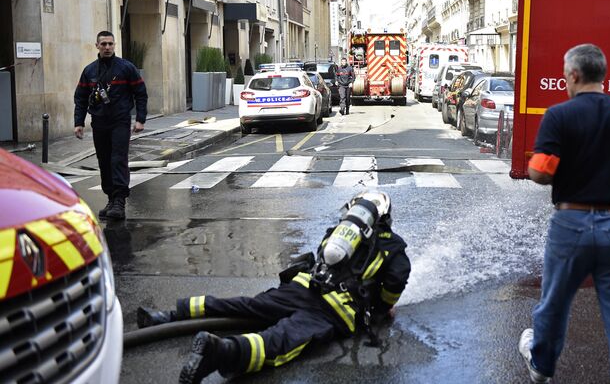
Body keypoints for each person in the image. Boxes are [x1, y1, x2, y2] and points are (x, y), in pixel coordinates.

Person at [136, 191, 410, 384]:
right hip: (333, 311)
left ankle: (167, 316)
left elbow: (323, 256)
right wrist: (383, 309)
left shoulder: (338, 232)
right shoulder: (394, 247)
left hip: (303, 287)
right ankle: (220, 353)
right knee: (282, 340)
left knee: (245, 305)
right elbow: (395, 282)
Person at [517, 43, 610, 384]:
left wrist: (540, 166)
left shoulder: (559, 116)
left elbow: (541, 174)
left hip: (571, 225)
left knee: (553, 304)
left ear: (574, 74)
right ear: (602, 74)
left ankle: (541, 365)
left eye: (565, 75)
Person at [74, 31, 147, 220]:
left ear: (115, 45)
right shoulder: (89, 71)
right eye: (104, 44)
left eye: (110, 44)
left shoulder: (126, 68)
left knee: (118, 160)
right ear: (97, 46)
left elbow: (140, 93)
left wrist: (140, 119)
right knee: (104, 161)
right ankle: (111, 198)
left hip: (120, 121)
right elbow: (81, 98)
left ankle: (119, 202)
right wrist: (78, 123)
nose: (107, 47)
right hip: (99, 123)